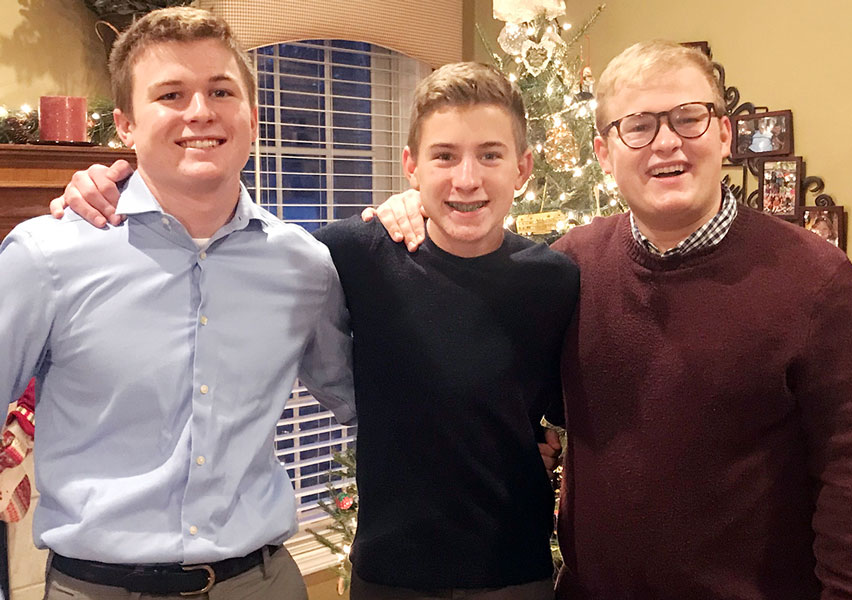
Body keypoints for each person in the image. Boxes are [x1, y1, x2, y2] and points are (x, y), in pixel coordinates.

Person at [293, 41, 852, 599]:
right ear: (606, 154)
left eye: (687, 117)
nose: (666, 143)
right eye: (638, 126)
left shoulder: (816, 280)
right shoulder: (577, 262)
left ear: (723, 133)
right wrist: (409, 208)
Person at [52, 62, 578, 599]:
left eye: (490, 154)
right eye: (444, 155)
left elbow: (570, 418)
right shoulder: (352, 254)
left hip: (516, 570)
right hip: (389, 573)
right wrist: (99, 186)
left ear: (523, 168)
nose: (467, 178)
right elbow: (240, 252)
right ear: (411, 167)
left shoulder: (556, 281)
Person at [1, 7, 355, 599]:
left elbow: (370, 402)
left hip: (262, 583)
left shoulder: (304, 267)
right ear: (125, 125)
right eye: (170, 94)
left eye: (221, 90)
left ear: (252, 117)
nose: (200, 111)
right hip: (96, 587)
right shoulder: (46, 256)